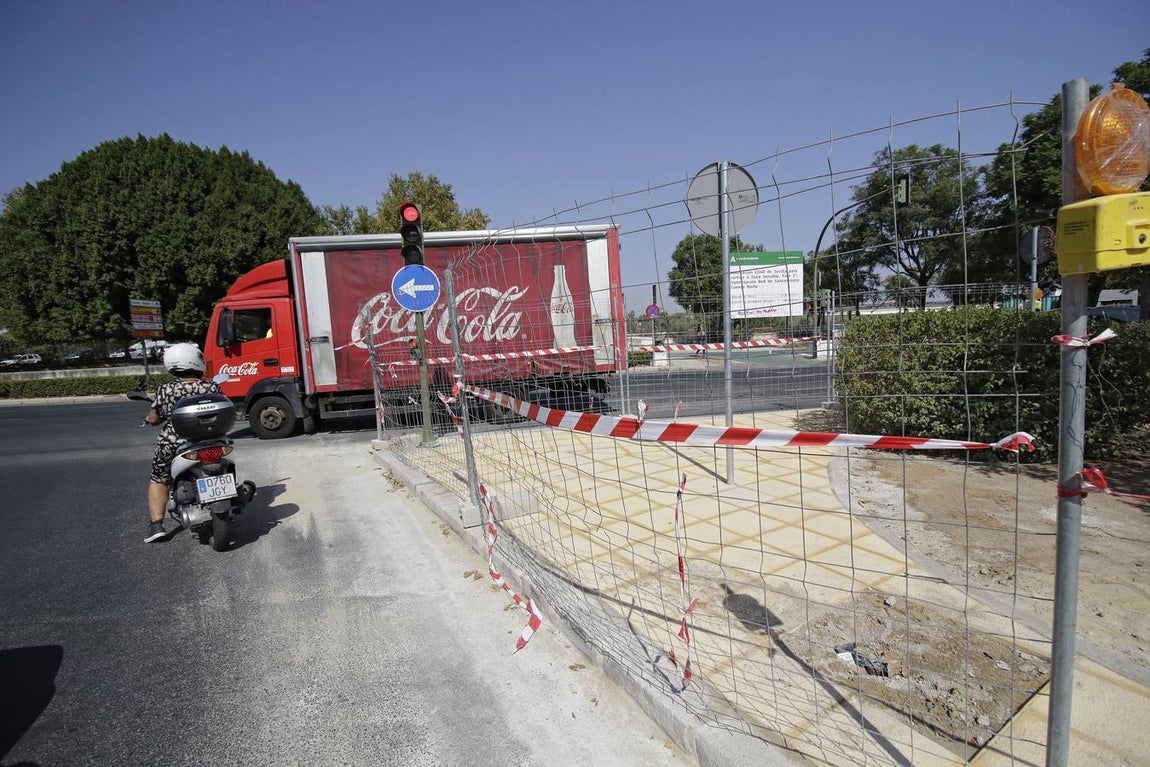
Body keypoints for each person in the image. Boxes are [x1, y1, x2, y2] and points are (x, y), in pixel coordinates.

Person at [143, 343, 221, 542]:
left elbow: (153, 418)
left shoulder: (166, 390)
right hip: (212, 439)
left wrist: (152, 418)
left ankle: (156, 525)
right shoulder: (211, 386)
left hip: (174, 444)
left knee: (159, 478)